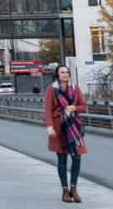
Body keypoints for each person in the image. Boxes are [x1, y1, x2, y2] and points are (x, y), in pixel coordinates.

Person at [45, 64, 86, 203]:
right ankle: (65, 190)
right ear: (58, 74)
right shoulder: (52, 89)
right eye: (62, 72)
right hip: (58, 127)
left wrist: (75, 107)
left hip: (74, 126)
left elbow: (83, 106)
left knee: (77, 157)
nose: (65, 74)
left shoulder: (75, 88)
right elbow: (48, 110)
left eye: (67, 72)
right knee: (62, 160)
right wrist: (50, 127)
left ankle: (73, 189)